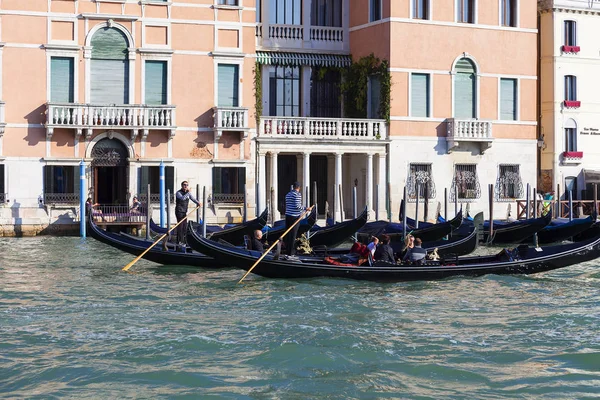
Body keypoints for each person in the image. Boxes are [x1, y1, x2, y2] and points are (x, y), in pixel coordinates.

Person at [284, 181, 312, 256]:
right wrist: (306, 209)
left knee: (288, 234)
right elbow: (297, 206)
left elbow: (290, 205)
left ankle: (287, 251)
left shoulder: (288, 194)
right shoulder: (297, 195)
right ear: (299, 188)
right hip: (294, 217)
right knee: (293, 234)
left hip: (288, 216)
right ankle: (291, 253)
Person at [175, 181, 201, 245]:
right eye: (184, 185)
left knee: (184, 227)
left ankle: (184, 241)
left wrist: (198, 203)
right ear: (182, 185)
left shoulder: (187, 193)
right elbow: (182, 198)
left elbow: (193, 199)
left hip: (184, 212)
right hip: (179, 212)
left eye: (187, 185)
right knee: (180, 227)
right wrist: (188, 192)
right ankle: (179, 241)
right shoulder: (178, 193)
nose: (186, 186)